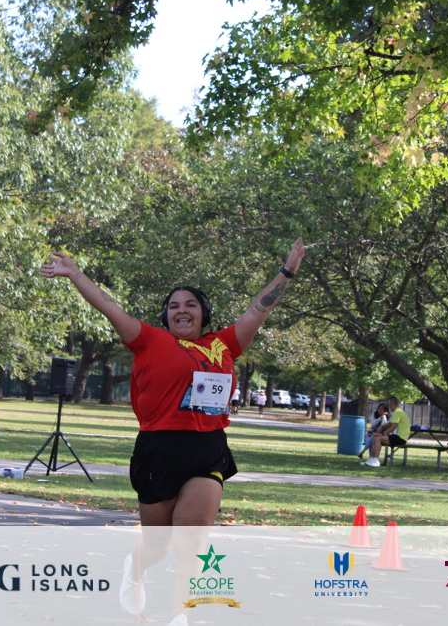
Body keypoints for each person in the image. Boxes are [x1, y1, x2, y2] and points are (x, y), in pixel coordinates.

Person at [42, 237, 305, 624]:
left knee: (193, 543)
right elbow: (107, 305)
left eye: (191, 304)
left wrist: (288, 270)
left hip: (208, 449)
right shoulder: (148, 339)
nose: (182, 310)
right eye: (174, 306)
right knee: (159, 546)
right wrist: (75, 273)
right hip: (159, 450)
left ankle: (180, 617)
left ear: (203, 314)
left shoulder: (225, 344)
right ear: (166, 316)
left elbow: (258, 309)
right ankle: (136, 568)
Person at [363, 397, 409, 467]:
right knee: (375, 438)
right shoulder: (397, 412)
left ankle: (375, 461)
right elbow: (390, 423)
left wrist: (384, 433)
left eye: (388, 405)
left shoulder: (397, 412)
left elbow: (393, 426)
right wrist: (382, 426)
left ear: (391, 404)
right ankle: (372, 459)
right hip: (398, 436)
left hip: (401, 438)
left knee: (378, 438)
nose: (388, 407)